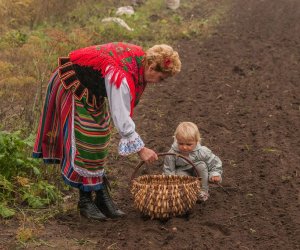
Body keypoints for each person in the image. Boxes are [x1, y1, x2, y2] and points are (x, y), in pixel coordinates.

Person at [33, 42, 181, 220]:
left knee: (100, 137)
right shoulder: (121, 76)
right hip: (73, 84)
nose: (160, 83)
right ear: (150, 67)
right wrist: (141, 149)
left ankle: (101, 194)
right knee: (87, 140)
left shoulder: (139, 63)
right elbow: (121, 116)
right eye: (161, 78)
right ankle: (86, 201)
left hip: (91, 89)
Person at [163, 122, 222, 201]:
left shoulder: (202, 151)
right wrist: (171, 185)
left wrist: (215, 174)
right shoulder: (172, 153)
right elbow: (169, 169)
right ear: (176, 139)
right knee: (179, 174)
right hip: (183, 172)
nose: (184, 147)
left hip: (197, 172)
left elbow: (214, 162)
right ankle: (184, 193)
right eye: (181, 143)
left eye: (189, 144)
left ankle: (203, 191)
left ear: (197, 141)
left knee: (201, 165)